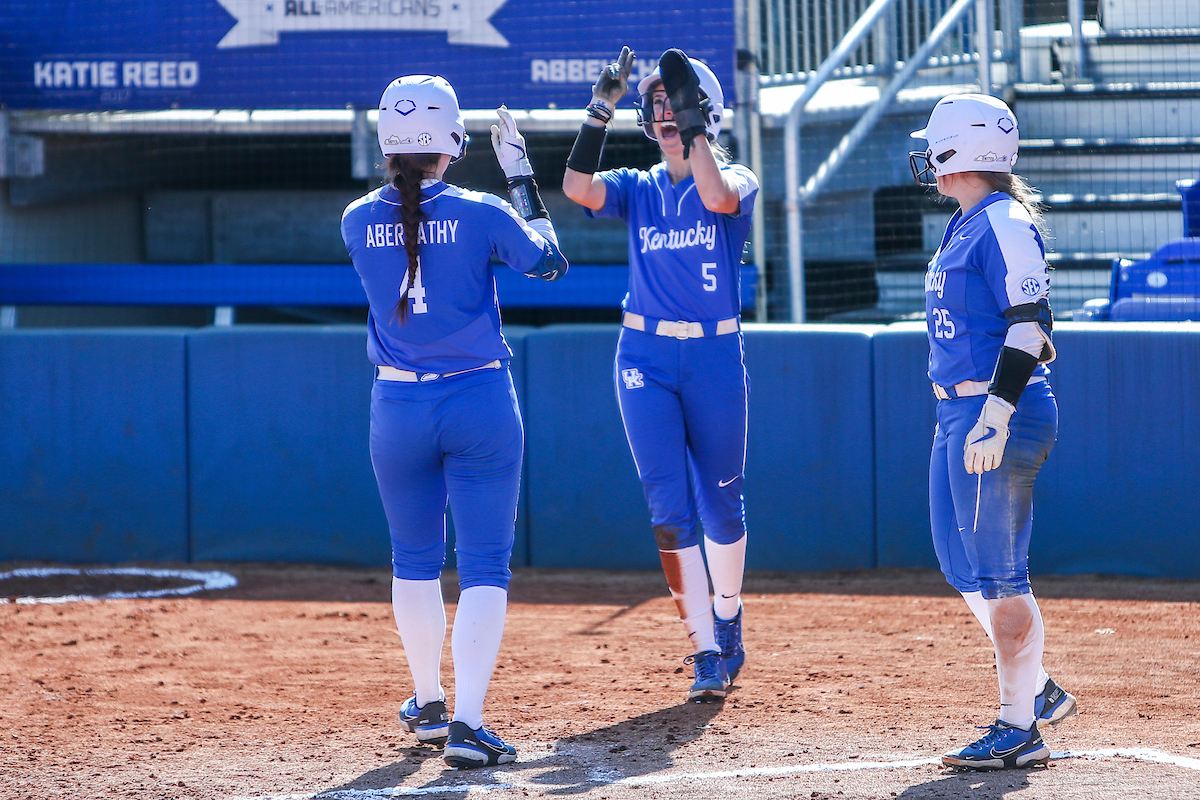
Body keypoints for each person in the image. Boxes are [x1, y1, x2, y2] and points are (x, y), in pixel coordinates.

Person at [341, 74, 567, 769]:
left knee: (412, 560)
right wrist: (521, 175)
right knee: (484, 567)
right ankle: (466, 724)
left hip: (397, 407)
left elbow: (408, 230)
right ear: (452, 142)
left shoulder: (354, 219)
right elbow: (551, 264)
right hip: (478, 403)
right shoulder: (484, 212)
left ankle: (428, 702)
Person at [562, 47, 759, 702]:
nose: (664, 113)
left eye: (676, 103)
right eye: (658, 106)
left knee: (722, 505)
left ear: (704, 112)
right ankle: (704, 648)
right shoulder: (639, 185)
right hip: (643, 355)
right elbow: (576, 189)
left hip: (712, 355)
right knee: (667, 507)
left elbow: (715, 194)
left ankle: (728, 618)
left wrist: (696, 128)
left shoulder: (738, 177)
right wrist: (600, 110)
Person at [908, 93, 1078, 770]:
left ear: (963, 151)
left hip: (996, 411)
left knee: (1002, 576)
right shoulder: (966, 222)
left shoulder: (1003, 220)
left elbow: (1031, 323)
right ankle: (1039, 690)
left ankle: (1019, 727)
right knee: (961, 565)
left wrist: (997, 412)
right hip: (959, 411)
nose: (928, 156)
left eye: (936, 145)